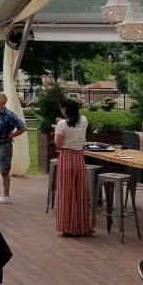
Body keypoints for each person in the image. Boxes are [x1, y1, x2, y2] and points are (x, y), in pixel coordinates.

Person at [54, 98, 89, 236]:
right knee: (80, 192)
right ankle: (82, 226)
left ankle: (67, 227)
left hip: (67, 156)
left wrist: (57, 127)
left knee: (66, 193)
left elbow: (58, 144)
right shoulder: (84, 120)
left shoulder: (62, 123)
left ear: (65, 109)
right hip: (79, 157)